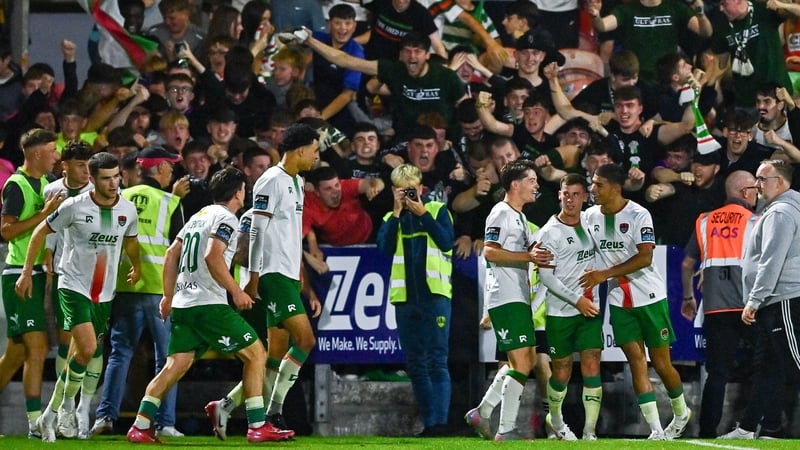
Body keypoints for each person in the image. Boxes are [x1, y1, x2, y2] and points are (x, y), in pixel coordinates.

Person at [126, 167, 292, 444]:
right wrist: (237, 291)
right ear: (238, 192)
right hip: (208, 305)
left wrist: (168, 296)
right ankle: (258, 425)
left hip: (183, 303)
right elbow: (213, 256)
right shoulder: (226, 218)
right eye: (244, 188)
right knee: (256, 354)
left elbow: (171, 254)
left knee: (174, 365)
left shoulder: (198, 216)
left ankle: (140, 426)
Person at [15, 152, 141, 443]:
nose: (113, 183)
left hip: (104, 291)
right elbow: (38, 232)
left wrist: (137, 266)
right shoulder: (74, 206)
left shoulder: (128, 209)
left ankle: (53, 413)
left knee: (81, 353)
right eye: (106, 178)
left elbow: (131, 241)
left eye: (116, 177)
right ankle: (67, 410)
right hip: (73, 285)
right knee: (85, 348)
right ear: (93, 180)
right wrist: (25, 272)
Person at [577, 163, 691, 440]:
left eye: (598, 184)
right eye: (592, 183)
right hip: (619, 303)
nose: (593, 189)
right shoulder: (589, 216)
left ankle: (681, 411)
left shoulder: (639, 214)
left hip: (650, 298)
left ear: (615, 188)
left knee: (662, 365)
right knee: (636, 361)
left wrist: (604, 274)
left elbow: (645, 257)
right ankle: (655, 430)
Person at [92, 146, 188, 438]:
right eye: (169, 167)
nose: (172, 172)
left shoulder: (120, 198)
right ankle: (165, 422)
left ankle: (105, 418)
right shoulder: (171, 202)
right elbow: (178, 250)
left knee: (119, 354)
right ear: (159, 170)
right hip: (159, 289)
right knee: (167, 358)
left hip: (123, 286)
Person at [230, 123, 320, 436]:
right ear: (300, 150)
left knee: (274, 356)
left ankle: (225, 406)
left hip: (286, 274)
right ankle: (275, 412)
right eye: (314, 149)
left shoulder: (297, 182)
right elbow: (256, 231)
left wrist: (300, 279)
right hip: (271, 273)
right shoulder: (271, 180)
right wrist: (253, 279)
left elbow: (288, 235)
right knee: (306, 340)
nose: (316, 155)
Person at [376, 163, 454, 437]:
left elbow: (447, 242)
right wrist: (397, 213)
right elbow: (384, 249)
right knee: (416, 364)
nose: (407, 195)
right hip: (406, 300)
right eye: (401, 190)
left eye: (411, 189)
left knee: (437, 360)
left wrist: (423, 214)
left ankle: (440, 424)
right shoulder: (390, 218)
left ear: (421, 188)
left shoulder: (437, 211)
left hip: (435, 296)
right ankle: (430, 424)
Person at [464, 159, 540, 441]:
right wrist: (528, 257)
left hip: (518, 295)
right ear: (515, 184)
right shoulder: (500, 213)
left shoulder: (519, 217)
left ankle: (481, 412)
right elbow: (490, 252)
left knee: (526, 360)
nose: (536, 185)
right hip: (506, 297)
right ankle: (505, 431)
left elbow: (530, 250)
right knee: (521, 364)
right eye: (531, 180)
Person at [680, 170, 758, 438]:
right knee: (766, 365)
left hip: (716, 307)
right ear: (746, 192)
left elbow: (687, 264)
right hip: (749, 306)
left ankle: (707, 431)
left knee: (717, 373)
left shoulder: (705, 221)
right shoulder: (755, 221)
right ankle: (761, 425)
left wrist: (688, 297)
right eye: (755, 190)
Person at [286, 30, 465, 144]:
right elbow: (345, 59)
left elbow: (464, 106)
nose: (412, 56)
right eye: (407, 51)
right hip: (404, 142)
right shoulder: (393, 69)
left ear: (427, 55)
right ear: (401, 54)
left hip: (442, 144)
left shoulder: (446, 76)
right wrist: (310, 41)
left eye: (417, 51)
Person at [0, 128, 63, 438]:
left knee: (15, 354)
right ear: (37, 153)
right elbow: (7, 231)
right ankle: (35, 425)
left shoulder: (49, 184)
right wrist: (44, 214)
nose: (56, 155)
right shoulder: (17, 185)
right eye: (52, 150)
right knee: (37, 349)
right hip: (18, 274)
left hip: (40, 274)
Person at [536, 173, 603, 441]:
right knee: (562, 369)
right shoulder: (549, 232)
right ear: (559, 195)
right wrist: (577, 300)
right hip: (561, 312)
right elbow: (546, 278)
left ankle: (589, 431)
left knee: (592, 364)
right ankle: (557, 420)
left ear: (585, 197)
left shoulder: (592, 222)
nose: (570, 200)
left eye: (576, 194)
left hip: (590, 309)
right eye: (566, 194)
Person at [739, 159, 800, 438]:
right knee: (770, 367)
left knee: (794, 362)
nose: (757, 184)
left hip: (783, 297)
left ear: (781, 181)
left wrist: (754, 299)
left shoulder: (781, 212)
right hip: (776, 299)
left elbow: (771, 260)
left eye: (763, 179)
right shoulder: (783, 209)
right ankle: (758, 427)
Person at [41, 140, 95, 439]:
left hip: (97, 278)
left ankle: (80, 407)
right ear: (66, 165)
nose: (86, 171)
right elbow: (48, 229)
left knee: (90, 345)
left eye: (89, 165)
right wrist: (48, 254)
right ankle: (67, 408)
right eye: (80, 165)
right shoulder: (52, 192)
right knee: (70, 342)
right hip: (66, 276)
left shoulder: (98, 191)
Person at [586, 0, 711, 82]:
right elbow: (602, 26)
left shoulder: (676, 8)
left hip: (667, 80)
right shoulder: (626, 10)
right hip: (638, 80)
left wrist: (700, 14)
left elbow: (706, 32)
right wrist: (596, 16)